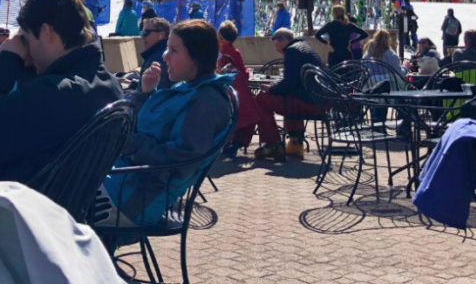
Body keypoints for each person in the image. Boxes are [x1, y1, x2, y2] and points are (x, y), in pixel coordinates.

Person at [0, 0, 123, 182]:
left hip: (15, 198)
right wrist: (28, 70)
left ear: (45, 32)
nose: (26, 48)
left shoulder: (57, 95)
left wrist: (6, 62)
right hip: (66, 197)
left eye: (26, 39)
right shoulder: (109, 86)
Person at [100, 20, 234, 225]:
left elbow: (176, 165)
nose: (164, 56)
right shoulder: (190, 89)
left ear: (196, 57)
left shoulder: (205, 101)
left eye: (174, 50)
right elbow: (148, 127)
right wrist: (145, 93)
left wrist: (128, 143)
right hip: (125, 182)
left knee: (61, 199)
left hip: (132, 201)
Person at [251, 28, 324, 161]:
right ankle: (295, 142)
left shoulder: (291, 51)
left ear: (284, 40)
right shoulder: (305, 47)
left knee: (261, 99)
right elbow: (294, 82)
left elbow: (289, 84)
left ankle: (273, 144)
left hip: (307, 104)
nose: (278, 51)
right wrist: (277, 86)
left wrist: (271, 89)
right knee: (287, 97)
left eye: (277, 46)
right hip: (318, 101)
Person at [216, 20, 259, 157]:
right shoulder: (234, 52)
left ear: (221, 38)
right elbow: (244, 73)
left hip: (227, 93)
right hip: (240, 94)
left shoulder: (224, 54)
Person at [138, 18, 173, 90]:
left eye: (146, 33)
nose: (142, 37)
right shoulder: (166, 51)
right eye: (142, 33)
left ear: (161, 35)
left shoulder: (156, 60)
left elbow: (153, 93)